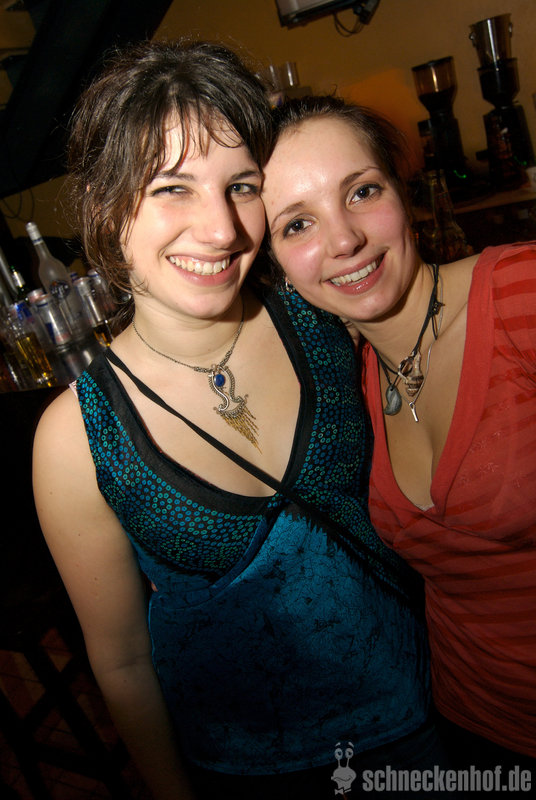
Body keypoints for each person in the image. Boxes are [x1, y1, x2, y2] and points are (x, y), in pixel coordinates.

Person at [32, 42, 442, 800]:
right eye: (172, 188)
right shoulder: (76, 437)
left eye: (241, 186)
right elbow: (121, 661)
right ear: (106, 206)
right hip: (246, 774)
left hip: (425, 724)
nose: (221, 229)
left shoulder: (325, 316)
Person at [262, 94, 536, 778]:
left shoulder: (521, 294)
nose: (344, 240)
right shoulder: (344, 387)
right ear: (276, 264)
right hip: (475, 728)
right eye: (298, 224)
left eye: (362, 191)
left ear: (402, 191)